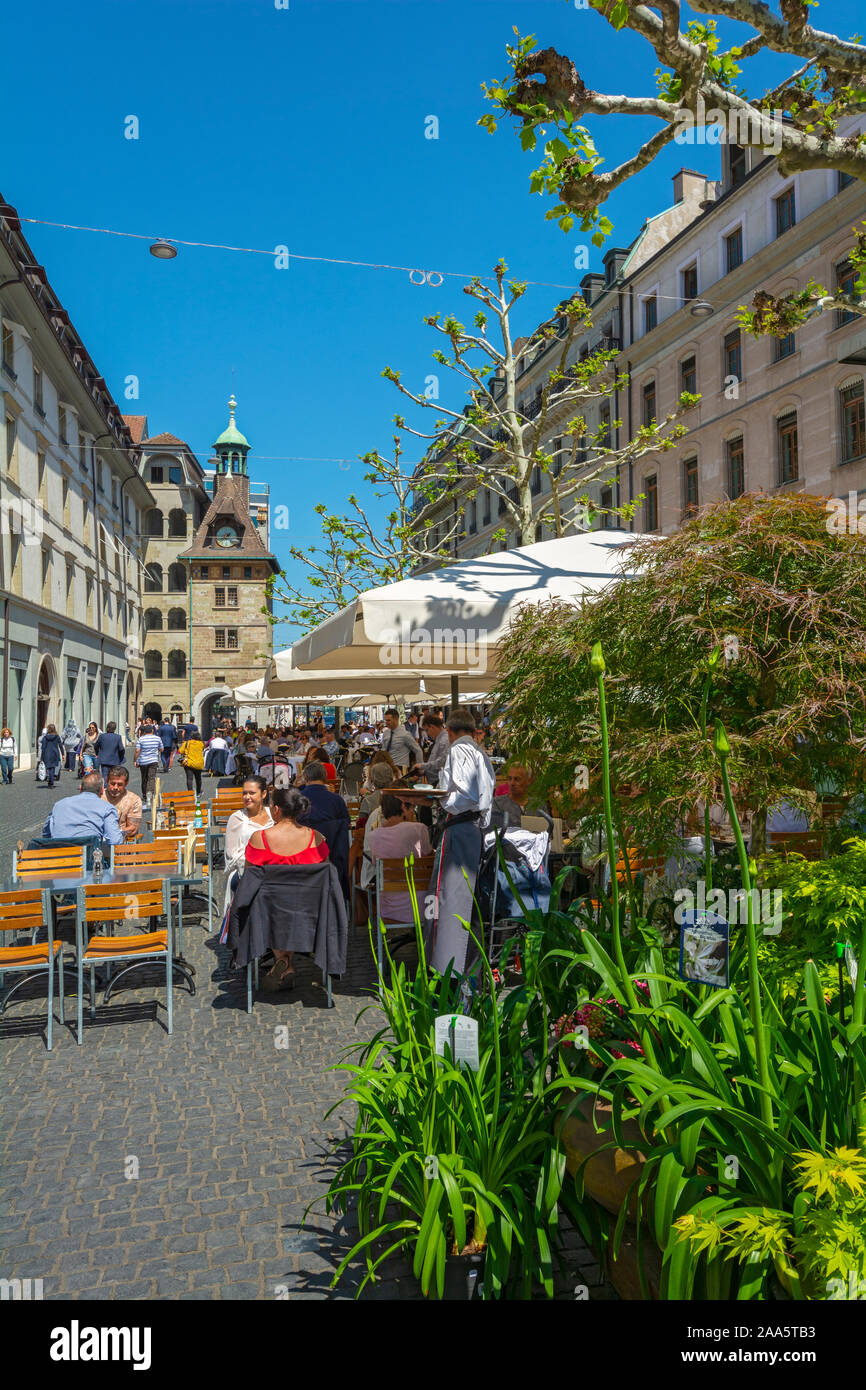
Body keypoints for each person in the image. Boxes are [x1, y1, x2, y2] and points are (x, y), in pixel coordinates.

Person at [425, 707, 495, 977]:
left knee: (450, 901)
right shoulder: (481, 754)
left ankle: (449, 972)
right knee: (465, 903)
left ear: (450, 732)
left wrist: (441, 799)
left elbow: (465, 793)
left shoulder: (459, 750)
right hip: (475, 829)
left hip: (461, 827)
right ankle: (466, 970)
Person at [244, 786, 330, 990]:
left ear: (275, 809)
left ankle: (283, 959)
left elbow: (249, 877)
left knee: (268, 904)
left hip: (271, 914)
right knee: (288, 906)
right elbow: (328, 874)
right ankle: (287, 963)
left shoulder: (259, 838)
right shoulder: (316, 838)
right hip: (310, 913)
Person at [368, 793, 433, 922]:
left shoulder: (373, 836)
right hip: (424, 907)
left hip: (389, 908)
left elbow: (377, 865)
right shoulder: (418, 829)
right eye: (411, 808)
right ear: (403, 806)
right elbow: (429, 857)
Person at [222, 775, 274, 916]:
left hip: (273, 872)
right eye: (244, 793)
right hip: (245, 876)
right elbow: (231, 856)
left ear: (263, 794)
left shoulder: (274, 815)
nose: (247, 797)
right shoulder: (236, 819)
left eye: (251, 793)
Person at [300, 762, 351, 895]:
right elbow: (346, 827)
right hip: (334, 862)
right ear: (325, 778)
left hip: (303, 863)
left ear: (305, 778)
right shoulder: (337, 800)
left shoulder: (298, 799)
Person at [43, 771, 124, 844]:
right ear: (102, 790)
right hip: (86, 857)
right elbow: (115, 841)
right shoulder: (107, 808)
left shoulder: (59, 804)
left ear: (80, 788)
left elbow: (46, 833)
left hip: (58, 855)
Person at [102, 766, 143, 840]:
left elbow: (133, 829)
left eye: (120, 784)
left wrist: (113, 833)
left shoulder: (134, 800)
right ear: (107, 780)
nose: (115, 787)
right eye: (112, 783)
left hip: (122, 841)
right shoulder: (98, 797)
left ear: (126, 783)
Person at [380, 709, 423, 774]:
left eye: (389, 720)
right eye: (386, 720)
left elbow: (418, 750)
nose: (386, 722)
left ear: (396, 719)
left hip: (400, 768)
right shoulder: (386, 733)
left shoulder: (405, 734)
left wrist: (420, 767)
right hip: (387, 768)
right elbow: (383, 750)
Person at [134, 721, 162, 809]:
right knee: (151, 778)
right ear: (152, 731)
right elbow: (161, 749)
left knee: (144, 778)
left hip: (143, 761)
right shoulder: (157, 738)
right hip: (153, 760)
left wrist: (135, 760)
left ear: (144, 732)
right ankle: (150, 794)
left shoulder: (141, 739)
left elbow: (137, 751)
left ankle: (145, 795)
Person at [421, 713, 450, 786]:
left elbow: (442, 762)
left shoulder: (444, 740)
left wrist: (423, 766)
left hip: (440, 783)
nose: (427, 734)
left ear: (432, 727)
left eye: (427, 730)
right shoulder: (439, 740)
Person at [180, 726, 205, 796]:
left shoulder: (187, 743)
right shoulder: (201, 743)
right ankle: (198, 792)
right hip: (198, 763)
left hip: (189, 763)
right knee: (198, 778)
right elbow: (203, 749)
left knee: (189, 779)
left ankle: (190, 794)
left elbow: (180, 751)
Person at [40, 724, 64, 788]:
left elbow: (43, 747)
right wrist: (63, 754)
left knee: (49, 768)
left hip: (47, 754)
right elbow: (60, 746)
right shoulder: (57, 736)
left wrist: (41, 757)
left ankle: (50, 781)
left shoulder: (45, 737)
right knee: (52, 768)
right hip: (55, 754)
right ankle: (51, 782)